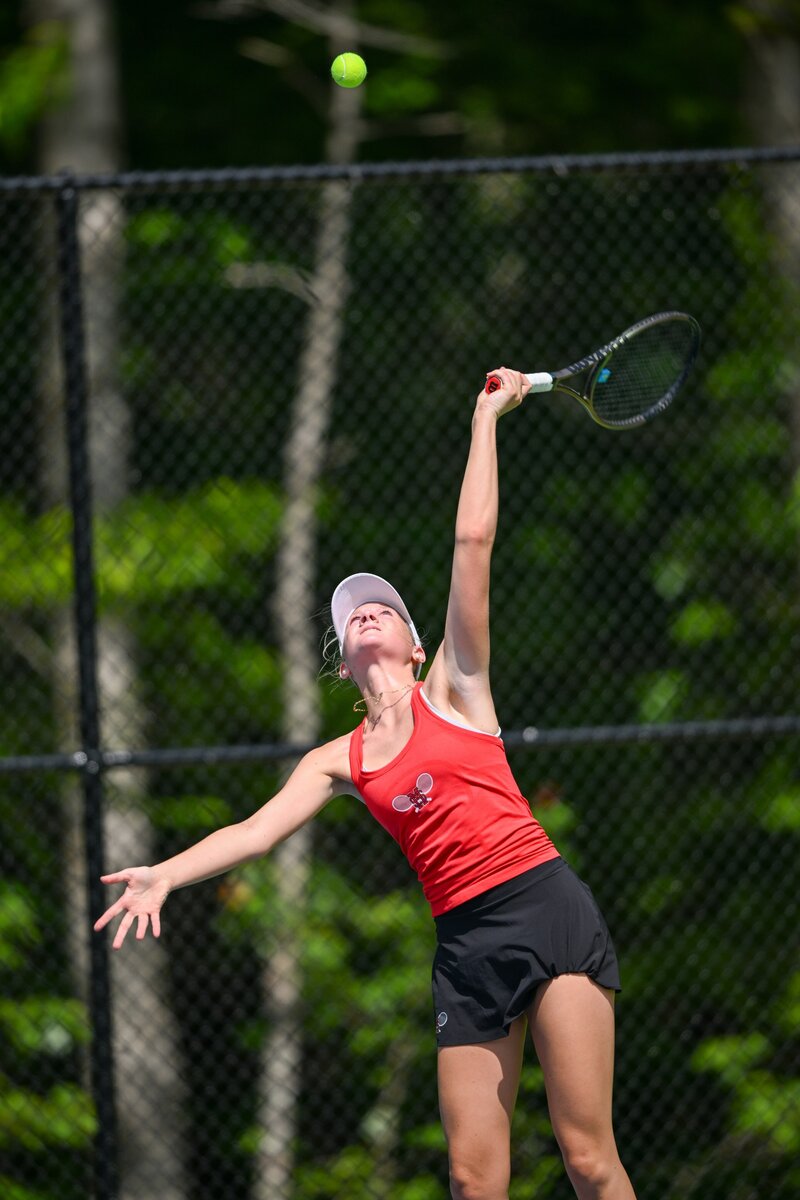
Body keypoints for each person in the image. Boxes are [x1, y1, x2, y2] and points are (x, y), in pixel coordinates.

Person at [95, 367, 637, 1200]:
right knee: (472, 1179)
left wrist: (487, 419)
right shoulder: (337, 759)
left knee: (588, 1159)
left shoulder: (456, 685)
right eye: (353, 614)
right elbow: (253, 833)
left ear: (418, 646)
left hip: (544, 905)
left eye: (385, 607)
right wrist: (166, 873)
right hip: (466, 946)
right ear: (344, 661)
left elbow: (472, 542)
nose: (367, 612)